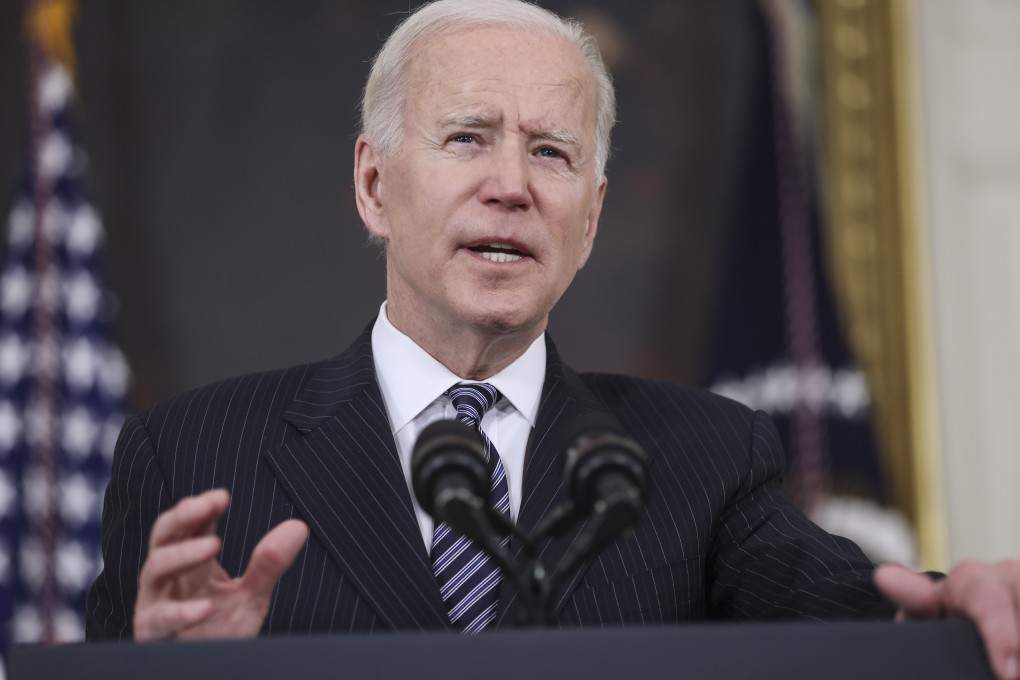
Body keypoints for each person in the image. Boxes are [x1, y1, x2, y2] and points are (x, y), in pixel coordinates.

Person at [85, 0, 1020, 678]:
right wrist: (160, 676)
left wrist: (963, 613)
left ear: (590, 220)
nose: (511, 186)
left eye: (551, 152)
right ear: (374, 186)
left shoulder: (703, 456)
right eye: (466, 138)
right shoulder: (194, 455)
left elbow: (861, 624)